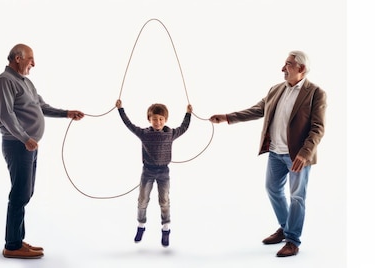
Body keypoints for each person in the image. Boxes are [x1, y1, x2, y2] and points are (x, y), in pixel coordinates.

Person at [209, 50, 326, 257]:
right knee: (272, 189)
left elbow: (318, 128)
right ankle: (286, 227)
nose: (283, 68)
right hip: (275, 153)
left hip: (298, 156)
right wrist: (227, 117)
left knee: (297, 197)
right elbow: (256, 110)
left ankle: (292, 240)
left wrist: (304, 153)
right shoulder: (276, 89)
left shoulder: (316, 93)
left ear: (301, 68)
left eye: (288, 64)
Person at [0, 43, 85, 259]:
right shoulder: (5, 80)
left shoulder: (26, 82)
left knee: (26, 192)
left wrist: (67, 113)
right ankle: (12, 246)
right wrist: (25, 138)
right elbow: (6, 115)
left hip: (27, 145)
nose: (34, 63)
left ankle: (16, 239)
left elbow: (41, 106)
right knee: (20, 192)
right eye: (30, 59)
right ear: (17, 59)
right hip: (17, 144)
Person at [115, 99, 192, 247]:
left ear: (165, 120)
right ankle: (141, 226)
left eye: (161, 119)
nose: (158, 122)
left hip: (164, 172)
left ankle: (166, 228)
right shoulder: (144, 134)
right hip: (148, 172)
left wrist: (188, 113)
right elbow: (129, 124)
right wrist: (120, 109)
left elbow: (184, 127)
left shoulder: (170, 133)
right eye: (154, 119)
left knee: (164, 201)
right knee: (142, 200)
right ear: (149, 119)